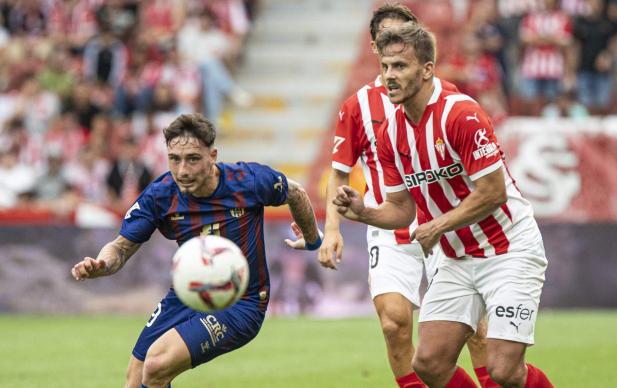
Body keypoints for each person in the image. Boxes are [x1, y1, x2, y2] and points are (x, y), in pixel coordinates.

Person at [334, 23, 553, 387]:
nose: (390, 76)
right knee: (430, 363)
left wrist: (438, 225)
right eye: (386, 66)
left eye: (400, 67)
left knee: (504, 371)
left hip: (508, 250)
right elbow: (402, 209)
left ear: (427, 70)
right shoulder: (390, 132)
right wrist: (364, 213)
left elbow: (493, 192)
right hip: (456, 258)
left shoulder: (460, 114)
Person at [294, 4, 492, 388]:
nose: (397, 46)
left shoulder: (448, 99)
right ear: (375, 46)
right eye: (389, 38)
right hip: (390, 228)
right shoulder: (357, 107)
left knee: (475, 332)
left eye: (406, 36)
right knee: (393, 323)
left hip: (441, 225)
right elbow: (338, 173)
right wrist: (331, 230)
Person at [70, 113, 322, 388]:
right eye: (174, 159)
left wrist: (312, 240)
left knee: (157, 364)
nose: (182, 171)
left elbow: (295, 192)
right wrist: (102, 264)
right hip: (187, 293)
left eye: (192, 158)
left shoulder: (247, 180)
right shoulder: (161, 193)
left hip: (241, 301)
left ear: (212, 155)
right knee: (136, 377)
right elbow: (120, 247)